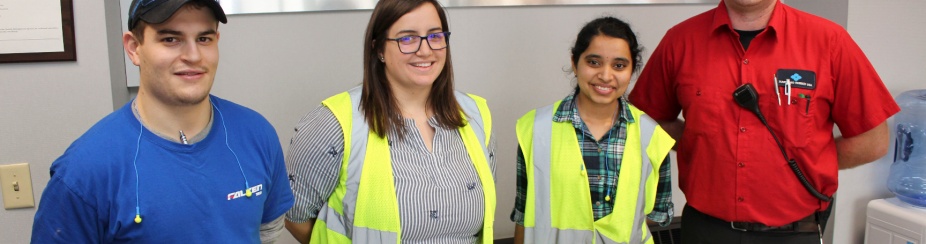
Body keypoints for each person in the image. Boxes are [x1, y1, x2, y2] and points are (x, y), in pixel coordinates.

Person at [628, 0, 899, 243]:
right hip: (706, 229)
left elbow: (872, 141)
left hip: (795, 232)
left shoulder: (829, 41)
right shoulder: (680, 40)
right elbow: (647, 119)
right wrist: (703, 145)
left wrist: (808, 161)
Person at [31, 0, 294, 242]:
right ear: (134, 48)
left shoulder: (256, 134)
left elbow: (267, 231)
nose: (193, 56)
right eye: (170, 39)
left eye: (204, 38)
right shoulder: (85, 170)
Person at [283, 0, 496, 243]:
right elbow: (293, 215)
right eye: (407, 39)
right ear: (379, 49)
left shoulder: (475, 114)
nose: (425, 50)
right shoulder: (334, 122)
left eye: (435, 36)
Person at [511, 17, 676, 244]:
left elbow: (653, 216)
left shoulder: (652, 136)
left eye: (619, 65)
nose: (606, 76)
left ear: (632, 70)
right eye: (594, 62)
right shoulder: (535, 128)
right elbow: (523, 214)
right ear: (574, 62)